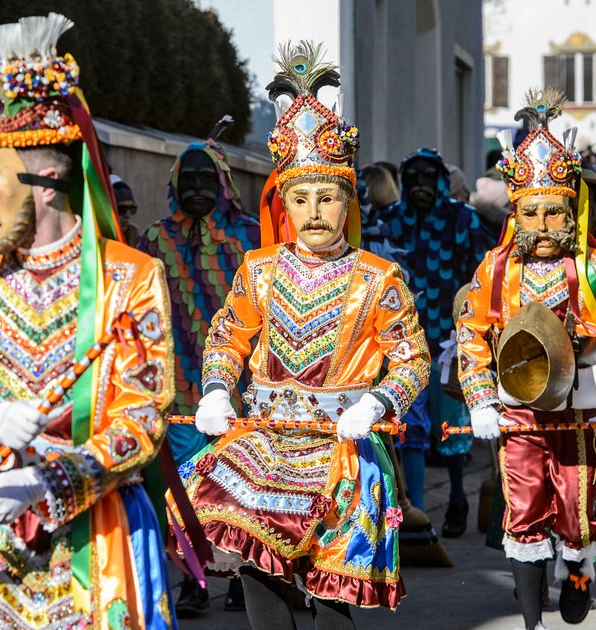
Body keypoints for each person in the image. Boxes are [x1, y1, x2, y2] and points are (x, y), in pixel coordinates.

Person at [0, 10, 177, 628]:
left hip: (98, 536)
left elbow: (141, 418)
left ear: (49, 174)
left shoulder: (129, 278)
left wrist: (48, 483)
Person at [182, 41, 431, 629]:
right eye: (301, 198)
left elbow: (412, 359)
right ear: (283, 203)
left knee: (331, 590)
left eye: (327, 197)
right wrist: (217, 388)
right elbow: (228, 336)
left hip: (343, 447)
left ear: (348, 203)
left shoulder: (380, 277)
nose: (314, 211)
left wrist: (377, 402)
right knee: (255, 564)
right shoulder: (258, 270)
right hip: (265, 441)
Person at [456, 88, 596, 629]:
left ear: (572, 210)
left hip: (578, 411)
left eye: (554, 212)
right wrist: (479, 400)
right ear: (515, 213)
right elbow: (471, 333)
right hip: (517, 413)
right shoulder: (496, 270)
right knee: (522, 512)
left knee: (576, 513)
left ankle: (577, 575)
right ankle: (531, 622)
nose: (543, 225)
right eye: (531, 212)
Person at [136, 122, 261, 616]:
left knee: (239, 485)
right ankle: (194, 577)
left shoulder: (250, 237)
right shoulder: (153, 239)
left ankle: (241, 575)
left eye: (204, 180)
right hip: (179, 389)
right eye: (186, 180)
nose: (194, 189)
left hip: (243, 388)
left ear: (223, 184)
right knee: (184, 487)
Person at [395, 148, 492, 538]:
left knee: (453, 427)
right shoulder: (390, 221)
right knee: (410, 430)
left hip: (452, 338)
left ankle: (457, 497)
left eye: (427, 178)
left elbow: (483, 271)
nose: (420, 186)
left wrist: (471, 324)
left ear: (440, 180)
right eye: (412, 178)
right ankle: (414, 512)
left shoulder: (462, 219)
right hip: (402, 342)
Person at [112, 174, 142, 246]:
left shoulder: (133, 234)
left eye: (132, 209)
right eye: (122, 209)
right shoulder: (95, 235)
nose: (127, 215)